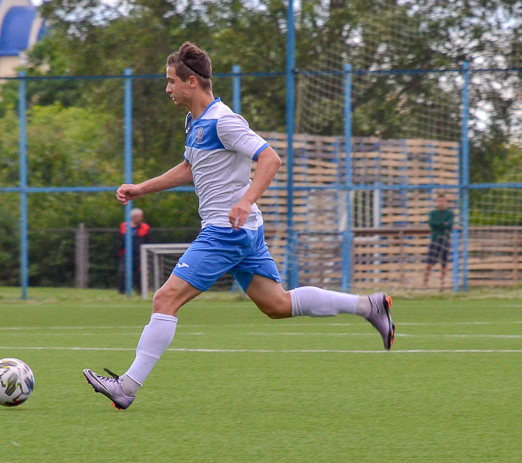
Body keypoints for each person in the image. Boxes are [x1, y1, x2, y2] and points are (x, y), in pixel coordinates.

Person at [83, 42, 395, 410]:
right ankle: (369, 305)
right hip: (243, 232)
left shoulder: (224, 121)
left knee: (165, 298)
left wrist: (245, 201)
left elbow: (269, 158)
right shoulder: (196, 122)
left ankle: (127, 387)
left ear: (192, 82)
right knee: (276, 304)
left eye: (171, 82)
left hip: (225, 231)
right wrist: (142, 188)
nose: (167, 89)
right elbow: (190, 168)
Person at [423, 193, 454, 291]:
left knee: (444, 265)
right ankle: (425, 285)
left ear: (446, 202)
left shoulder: (450, 213)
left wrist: (441, 224)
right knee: (429, 264)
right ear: (436, 202)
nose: (441, 203)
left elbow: (449, 224)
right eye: (439, 201)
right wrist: (443, 224)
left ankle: (442, 286)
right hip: (435, 240)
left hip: (445, 241)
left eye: (443, 201)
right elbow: (432, 224)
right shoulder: (433, 213)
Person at [117, 208, 150, 294]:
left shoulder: (145, 227)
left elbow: (147, 241)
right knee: (123, 271)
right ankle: (122, 291)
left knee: (139, 272)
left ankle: (140, 290)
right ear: (133, 217)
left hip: (139, 254)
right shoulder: (124, 226)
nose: (141, 219)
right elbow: (120, 240)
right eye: (139, 217)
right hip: (126, 253)